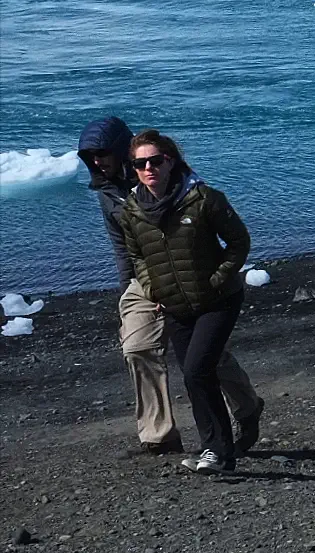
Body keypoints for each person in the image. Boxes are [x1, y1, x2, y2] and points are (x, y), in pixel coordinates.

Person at [79, 117, 262, 457]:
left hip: (191, 275)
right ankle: (159, 435)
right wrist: (131, 293)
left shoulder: (178, 183)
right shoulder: (107, 194)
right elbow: (124, 248)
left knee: (204, 357)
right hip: (143, 277)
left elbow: (219, 233)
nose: (97, 161)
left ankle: (247, 406)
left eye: (102, 153)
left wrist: (214, 278)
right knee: (137, 347)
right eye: (89, 156)